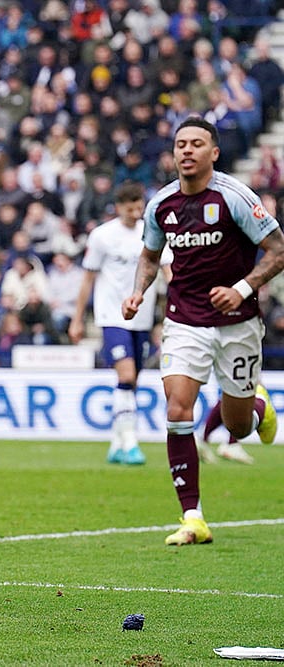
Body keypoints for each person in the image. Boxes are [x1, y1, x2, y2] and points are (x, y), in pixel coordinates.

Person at [121, 116, 284, 547]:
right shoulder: (161, 205)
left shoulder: (233, 197)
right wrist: (138, 292)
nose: (187, 151)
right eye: (180, 144)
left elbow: (278, 250)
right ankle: (192, 516)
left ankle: (255, 408)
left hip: (238, 322)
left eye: (196, 144)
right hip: (184, 319)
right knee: (177, 409)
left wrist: (242, 288)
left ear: (213, 153)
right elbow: (150, 257)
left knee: (238, 425)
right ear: (173, 153)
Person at [69, 181, 155, 466]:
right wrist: (78, 318)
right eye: (130, 208)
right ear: (118, 208)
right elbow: (88, 279)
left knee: (132, 383)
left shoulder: (152, 233)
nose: (136, 213)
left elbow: (167, 269)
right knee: (126, 375)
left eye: (139, 207)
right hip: (112, 316)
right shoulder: (102, 236)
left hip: (142, 317)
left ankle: (117, 443)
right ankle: (130, 443)